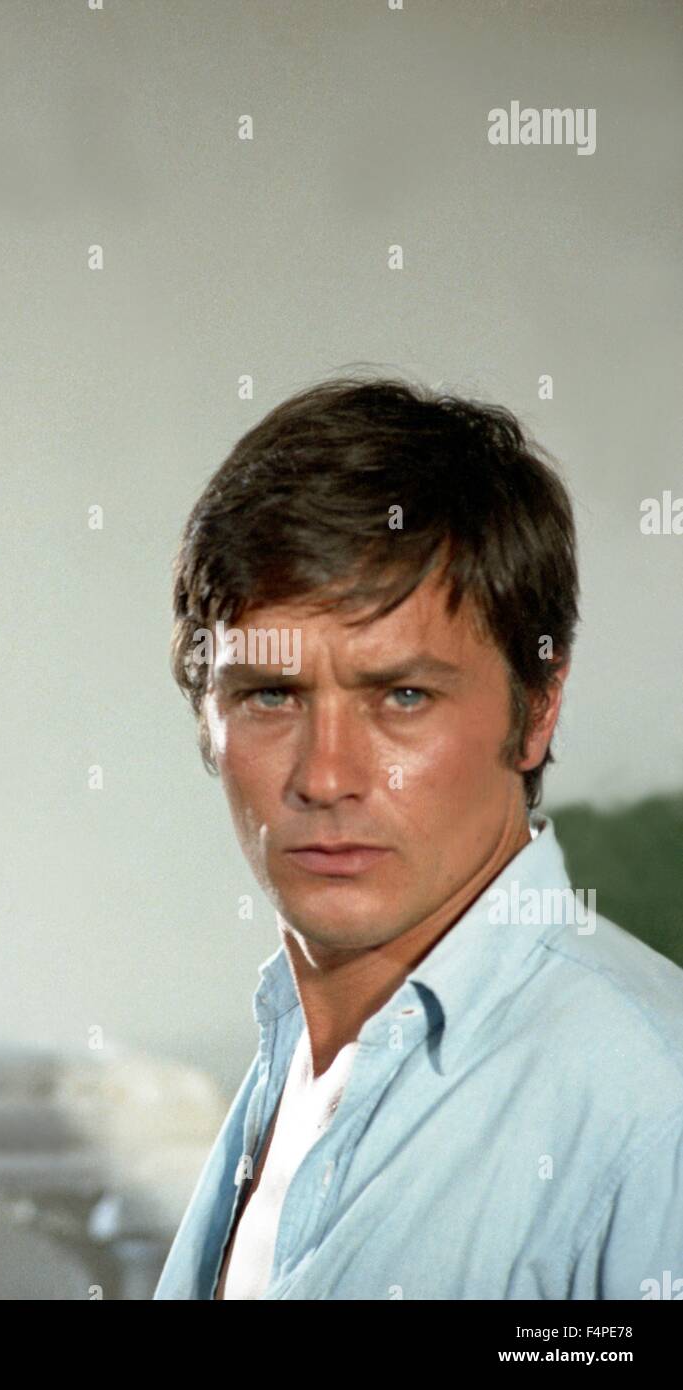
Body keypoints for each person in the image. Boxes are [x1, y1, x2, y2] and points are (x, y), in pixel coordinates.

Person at [153, 375, 683, 1300]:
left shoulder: (653, 1096)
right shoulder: (294, 1059)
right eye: (271, 696)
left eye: (402, 696)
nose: (325, 776)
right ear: (207, 715)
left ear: (535, 710)